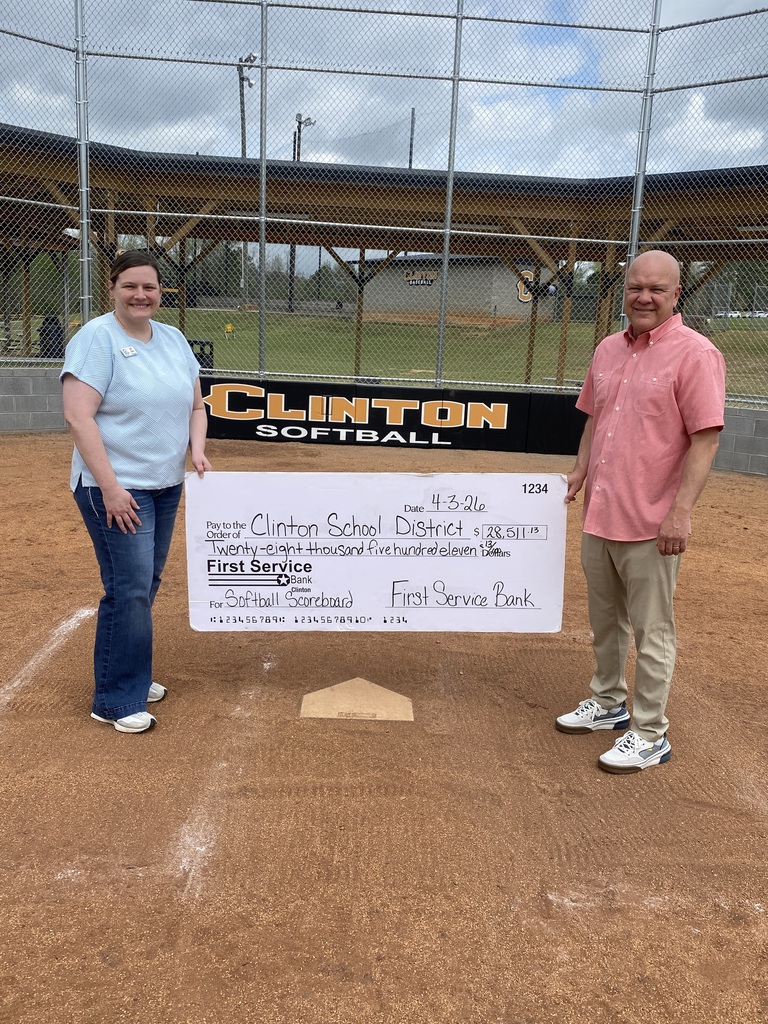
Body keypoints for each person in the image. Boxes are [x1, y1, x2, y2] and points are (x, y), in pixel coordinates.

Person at [556, 250, 726, 773]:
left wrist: (681, 513)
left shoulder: (696, 354)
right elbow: (593, 421)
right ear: (624, 290)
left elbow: (705, 438)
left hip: (652, 523)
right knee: (605, 623)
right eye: (635, 287)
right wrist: (581, 471)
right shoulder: (607, 349)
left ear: (677, 295)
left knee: (653, 630)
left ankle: (650, 730)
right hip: (601, 514)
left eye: (657, 289)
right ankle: (608, 703)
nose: (644, 297)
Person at [61, 251, 211, 734]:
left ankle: (129, 671)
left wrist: (198, 451)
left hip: (165, 484)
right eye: (130, 286)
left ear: (160, 292)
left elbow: (196, 405)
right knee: (129, 590)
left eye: (148, 287)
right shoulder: (96, 338)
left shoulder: (172, 339)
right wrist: (110, 487)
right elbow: (78, 416)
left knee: (145, 585)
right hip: (118, 488)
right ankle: (114, 698)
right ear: (112, 289)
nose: (140, 295)